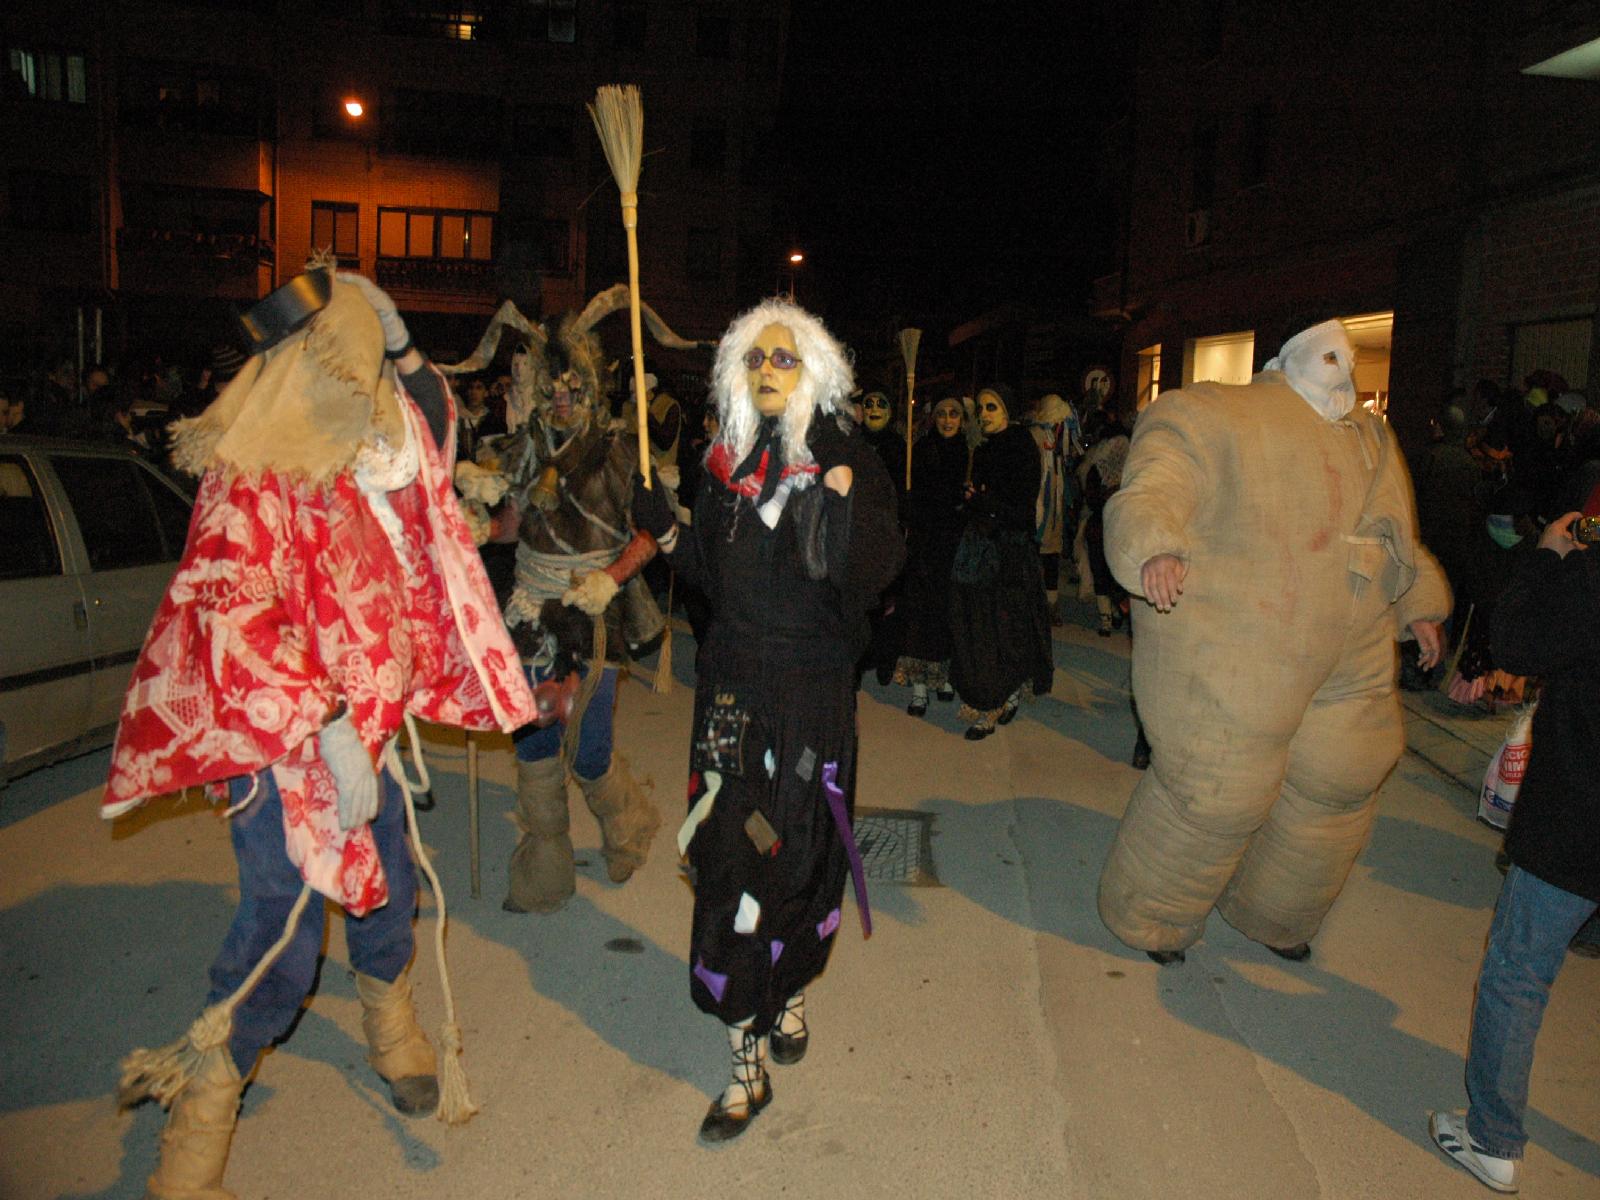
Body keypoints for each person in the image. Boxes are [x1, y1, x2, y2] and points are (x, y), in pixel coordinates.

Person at [101, 266, 537, 1199]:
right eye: (360, 369)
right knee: (282, 931)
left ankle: (391, 1022)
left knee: (389, 890)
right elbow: (229, 611)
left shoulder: (365, 454)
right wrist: (330, 724)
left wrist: (405, 343)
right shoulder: (252, 471)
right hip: (289, 747)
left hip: (370, 734)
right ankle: (197, 1130)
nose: (374, 392)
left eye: (377, 372)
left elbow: (429, 444)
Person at [630, 297, 904, 1144]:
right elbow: (711, 579)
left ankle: (787, 988)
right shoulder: (724, 468)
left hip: (811, 701)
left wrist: (839, 503)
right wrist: (668, 534)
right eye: (754, 358)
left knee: (802, 860)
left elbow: (872, 571)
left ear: (813, 370)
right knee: (729, 864)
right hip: (731, 695)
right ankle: (744, 1053)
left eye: (783, 358)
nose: (767, 371)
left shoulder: (847, 458)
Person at [1097, 318, 1450, 965]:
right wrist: (1155, 546)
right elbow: (1156, 483)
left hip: (1354, 646)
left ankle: (1273, 912)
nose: (1342, 368)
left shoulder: (1370, 436)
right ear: (1287, 359)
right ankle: (1153, 916)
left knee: (1343, 775)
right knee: (1220, 787)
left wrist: (1418, 607)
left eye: (1348, 358)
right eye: (1327, 356)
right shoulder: (1215, 415)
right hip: (1246, 641)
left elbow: (1395, 531)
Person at [1429, 509, 1597, 1195]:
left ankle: (1492, 1139)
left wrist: (1550, 556)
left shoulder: (1591, 576)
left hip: (1580, 820)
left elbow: (1516, 642)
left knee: (1519, 973)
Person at [947, 384, 1054, 740]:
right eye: (980, 408)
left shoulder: (1021, 446)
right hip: (980, 552)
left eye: (991, 407)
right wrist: (970, 499)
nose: (984, 415)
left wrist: (985, 502)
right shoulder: (983, 447)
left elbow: (1020, 508)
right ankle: (993, 694)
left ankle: (999, 698)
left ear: (1008, 410)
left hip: (1009, 555)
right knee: (980, 629)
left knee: (1004, 630)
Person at [893, 396, 968, 715]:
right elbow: (911, 493)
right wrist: (910, 504)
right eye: (942, 414)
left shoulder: (968, 452)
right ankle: (919, 686)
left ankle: (944, 675)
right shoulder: (922, 449)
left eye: (954, 414)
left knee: (948, 612)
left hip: (954, 544)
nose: (948, 420)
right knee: (921, 612)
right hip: (925, 544)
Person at [1029, 392, 1081, 625]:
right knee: (1035, 557)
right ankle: (1035, 606)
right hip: (1038, 506)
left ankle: (1051, 605)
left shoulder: (1057, 438)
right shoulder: (1035, 435)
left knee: (1051, 556)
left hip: (1053, 509)